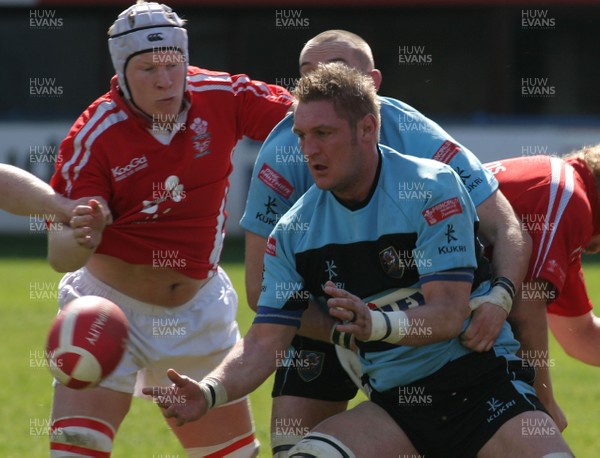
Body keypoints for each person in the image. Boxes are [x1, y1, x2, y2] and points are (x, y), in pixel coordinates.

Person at [144, 62, 572, 458]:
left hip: (483, 388)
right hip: (397, 407)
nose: (308, 150)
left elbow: (448, 314)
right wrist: (210, 392)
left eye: (324, 134)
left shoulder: (432, 187)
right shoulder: (292, 233)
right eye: (301, 136)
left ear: (367, 129)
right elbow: (264, 341)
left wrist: (375, 324)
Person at [239, 30, 532, 454]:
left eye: (336, 70)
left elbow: (506, 227)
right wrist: (354, 331)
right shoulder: (282, 155)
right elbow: (258, 288)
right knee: (295, 449)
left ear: (372, 85)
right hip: (323, 319)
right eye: (307, 75)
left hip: (429, 323)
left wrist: (499, 298)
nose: (322, 82)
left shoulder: (419, 138)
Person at [46, 1, 292, 457]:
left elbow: (310, 121)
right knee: (78, 448)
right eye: (146, 69)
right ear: (121, 70)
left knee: (235, 456)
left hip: (199, 312)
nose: (164, 80)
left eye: (172, 64)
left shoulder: (224, 95)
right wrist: (81, 233)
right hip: (107, 309)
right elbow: (60, 255)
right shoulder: (93, 135)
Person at [484, 147, 600, 425]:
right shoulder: (568, 196)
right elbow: (524, 308)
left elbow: (581, 335)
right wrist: (543, 402)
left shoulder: (562, 188)